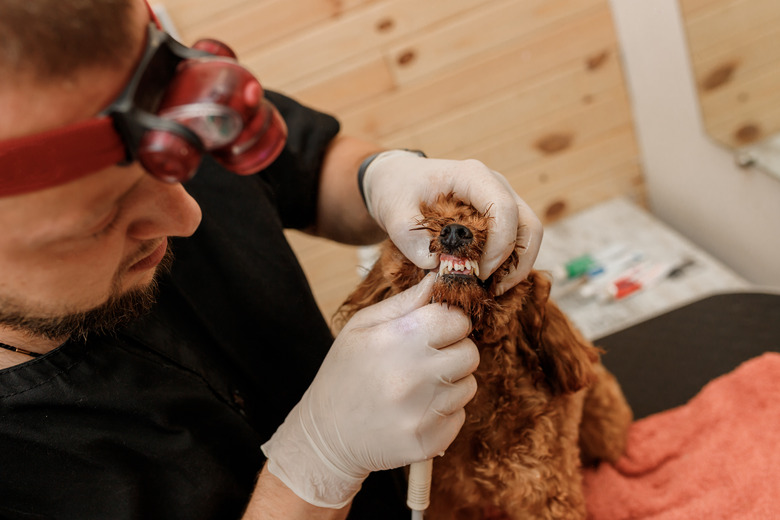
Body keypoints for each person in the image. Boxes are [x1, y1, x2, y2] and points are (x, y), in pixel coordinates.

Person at [0, 0, 542, 518]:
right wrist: (314, 470)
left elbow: (308, 166)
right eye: (100, 219)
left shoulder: (154, 97)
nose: (186, 216)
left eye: (174, 166)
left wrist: (383, 176)